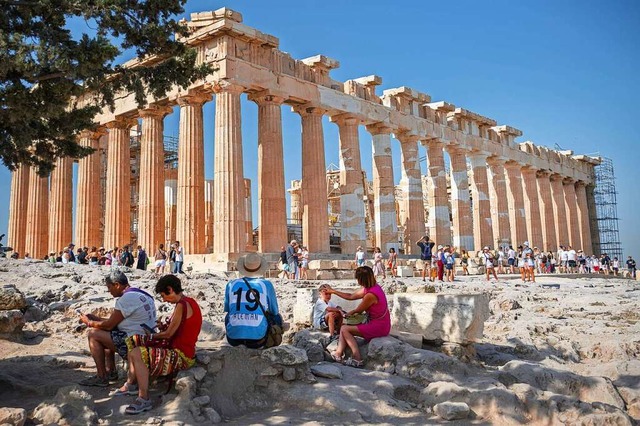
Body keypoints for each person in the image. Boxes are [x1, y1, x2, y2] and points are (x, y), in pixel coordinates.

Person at [120, 275, 202, 415]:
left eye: (164, 296)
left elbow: (169, 334)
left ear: (170, 289)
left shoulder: (182, 305)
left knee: (136, 352)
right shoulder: (186, 302)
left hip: (181, 354)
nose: (164, 300)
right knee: (133, 341)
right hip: (177, 347)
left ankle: (144, 397)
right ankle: (131, 383)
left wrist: (151, 335)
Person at [78, 270, 157, 387]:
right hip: (146, 339)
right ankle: (110, 371)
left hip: (134, 342)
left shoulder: (126, 298)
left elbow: (110, 325)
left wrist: (90, 323)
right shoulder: (140, 294)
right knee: (105, 332)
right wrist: (96, 319)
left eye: (109, 287)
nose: (109, 291)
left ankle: (102, 376)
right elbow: (115, 322)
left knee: (93, 334)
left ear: (117, 285)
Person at [325, 266, 391, 368]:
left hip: (379, 326)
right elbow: (351, 296)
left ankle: (357, 358)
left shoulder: (370, 295)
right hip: (379, 322)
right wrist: (334, 291)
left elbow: (358, 310)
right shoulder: (372, 287)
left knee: (344, 329)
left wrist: (349, 313)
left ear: (361, 279)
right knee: (344, 328)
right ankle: (338, 353)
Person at [224, 253, 281, 349]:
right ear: (260, 268)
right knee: (276, 317)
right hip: (258, 340)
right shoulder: (266, 284)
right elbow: (274, 311)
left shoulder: (231, 284)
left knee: (228, 315)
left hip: (233, 339)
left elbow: (228, 309)